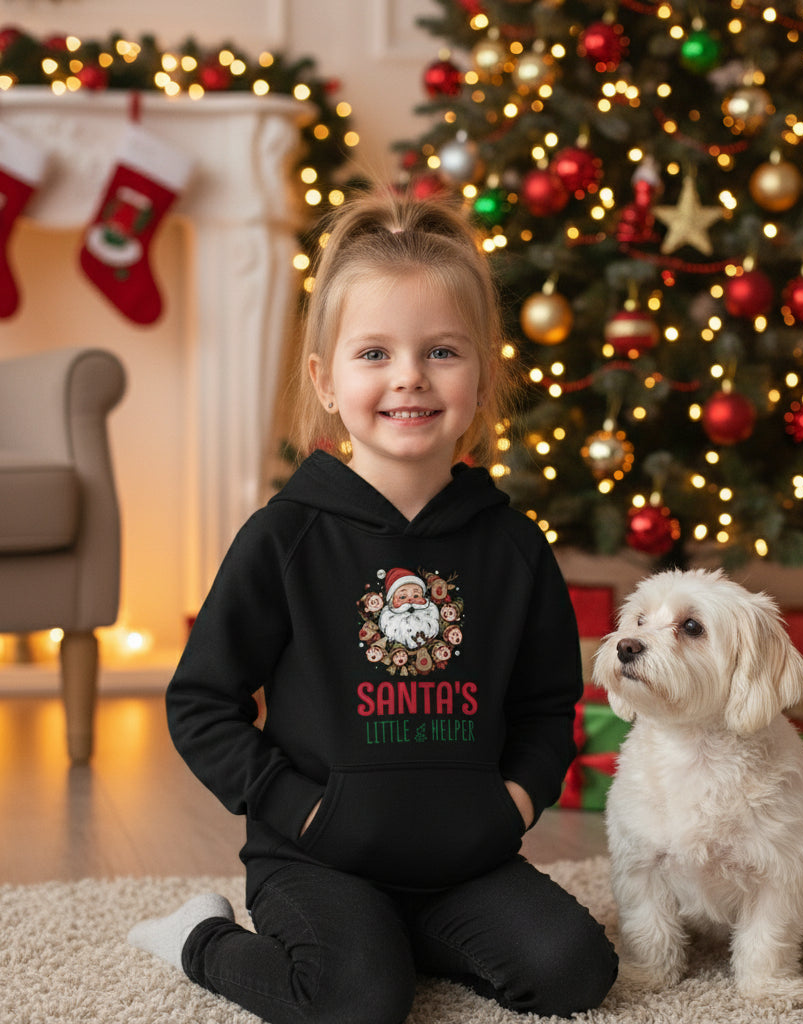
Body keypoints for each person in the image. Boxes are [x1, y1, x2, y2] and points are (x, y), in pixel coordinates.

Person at [127, 190, 618, 1024]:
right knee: (356, 1004)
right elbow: (201, 703)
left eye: (442, 351)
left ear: (484, 373)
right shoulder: (285, 537)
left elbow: (547, 705)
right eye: (374, 354)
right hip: (317, 858)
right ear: (325, 378)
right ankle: (199, 941)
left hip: (465, 858)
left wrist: (517, 804)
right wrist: (299, 810)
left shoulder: (513, 547)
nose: (409, 378)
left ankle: (400, 938)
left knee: (574, 971)